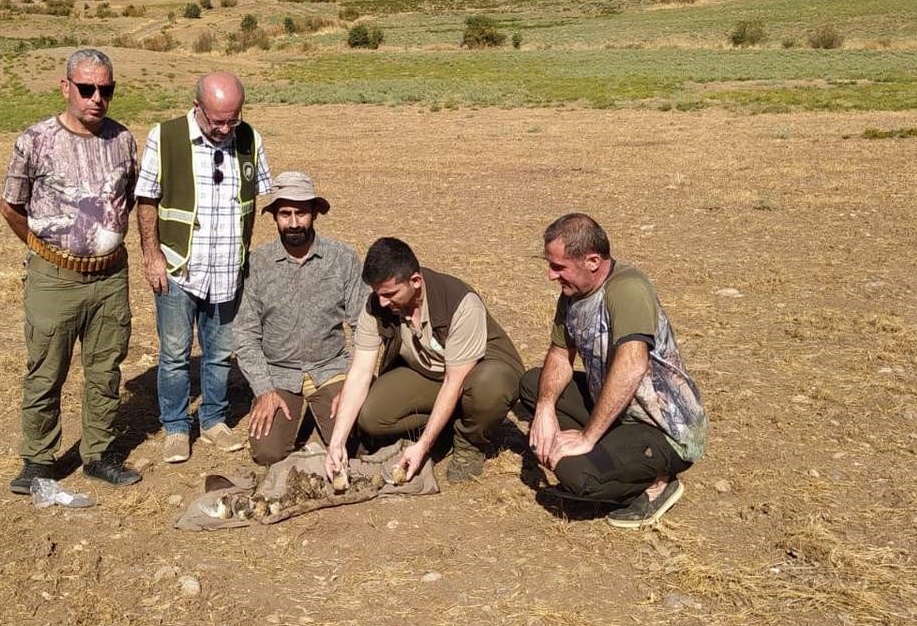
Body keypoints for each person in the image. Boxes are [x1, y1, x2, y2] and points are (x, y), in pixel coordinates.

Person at [0, 48, 141, 494]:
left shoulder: (123, 140)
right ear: (66, 88)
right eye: (86, 88)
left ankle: (98, 453)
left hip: (109, 277)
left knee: (106, 369)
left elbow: (129, 198)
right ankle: (38, 461)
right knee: (46, 369)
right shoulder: (35, 140)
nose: (96, 98)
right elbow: (10, 205)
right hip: (54, 279)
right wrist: (46, 250)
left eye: (106, 90)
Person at [519, 213, 708, 528]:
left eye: (558, 267)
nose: (551, 275)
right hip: (617, 409)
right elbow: (559, 353)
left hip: (662, 427)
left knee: (576, 475)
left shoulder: (627, 288)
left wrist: (586, 437)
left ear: (592, 261)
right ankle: (611, 453)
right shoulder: (573, 294)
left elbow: (632, 365)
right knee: (531, 385)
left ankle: (658, 484)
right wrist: (545, 408)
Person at [135, 72, 271, 463]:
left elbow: (257, 200)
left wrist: (247, 257)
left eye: (233, 119)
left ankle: (213, 420)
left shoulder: (249, 138)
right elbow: (146, 199)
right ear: (197, 108)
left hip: (229, 268)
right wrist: (152, 254)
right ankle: (177, 427)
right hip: (179, 269)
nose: (226, 128)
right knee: (175, 354)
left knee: (220, 353)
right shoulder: (165, 137)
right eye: (217, 121)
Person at [326, 238, 524, 483]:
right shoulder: (376, 306)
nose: (382, 303)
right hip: (428, 371)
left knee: (489, 386)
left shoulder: (461, 303)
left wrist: (423, 446)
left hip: (477, 372)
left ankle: (469, 443)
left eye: (390, 294)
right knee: (372, 416)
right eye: (378, 294)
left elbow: (454, 382)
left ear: (415, 281)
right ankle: (447, 425)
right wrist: (337, 442)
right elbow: (359, 373)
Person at [233, 172, 368, 465]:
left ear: (315, 213)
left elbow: (363, 326)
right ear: (274, 217)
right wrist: (264, 389)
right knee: (267, 452)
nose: (293, 222)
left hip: (331, 367)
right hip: (278, 373)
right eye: (285, 214)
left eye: (301, 213)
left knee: (357, 442)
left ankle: (323, 428)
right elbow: (245, 335)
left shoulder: (342, 258)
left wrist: (355, 383)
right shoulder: (256, 264)